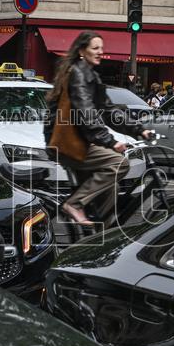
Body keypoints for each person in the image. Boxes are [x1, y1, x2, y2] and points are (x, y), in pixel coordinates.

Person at [44, 31, 150, 225]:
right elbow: (86, 112)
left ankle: (102, 236)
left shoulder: (90, 75)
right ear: (82, 51)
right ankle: (74, 204)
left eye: (102, 48)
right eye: (95, 48)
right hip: (68, 144)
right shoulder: (77, 73)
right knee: (118, 164)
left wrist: (139, 129)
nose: (101, 52)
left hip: (80, 141)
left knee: (109, 194)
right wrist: (110, 141)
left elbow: (109, 111)